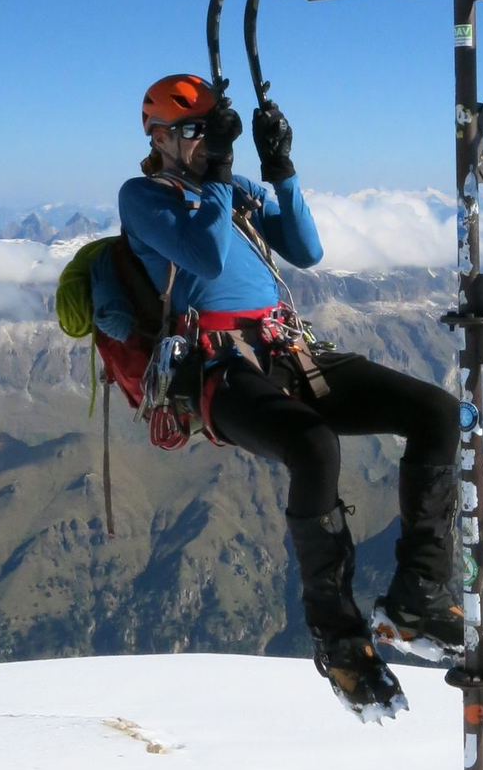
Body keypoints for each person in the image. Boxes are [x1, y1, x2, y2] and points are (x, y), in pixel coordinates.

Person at [117, 73, 462, 721]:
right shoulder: (144, 196)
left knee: (435, 412)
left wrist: (281, 169)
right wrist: (219, 171)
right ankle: (338, 635)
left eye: (208, 130)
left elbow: (306, 248)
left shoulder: (234, 190)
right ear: (158, 136)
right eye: (190, 130)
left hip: (290, 350)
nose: (200, 141)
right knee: (312, 444)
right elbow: (208, 259)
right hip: (217, 369)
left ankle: (418, 595)